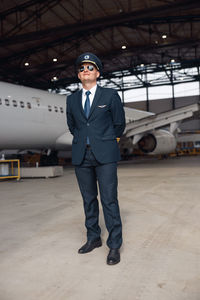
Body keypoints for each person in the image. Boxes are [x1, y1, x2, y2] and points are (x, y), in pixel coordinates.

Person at [67, 52, 125, 265]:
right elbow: (73, 126)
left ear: (98, 73)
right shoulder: (72, 99)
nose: (85, 71)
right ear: (79, 75)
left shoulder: (110, 95)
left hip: (106, 155)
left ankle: (114, 245)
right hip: (82, 154)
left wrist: (108, 141)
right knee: (88, 200)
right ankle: (93, 238)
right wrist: (85, 141)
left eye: (90, 68)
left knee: (109, 200)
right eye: (81, 68)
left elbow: (119, 123)